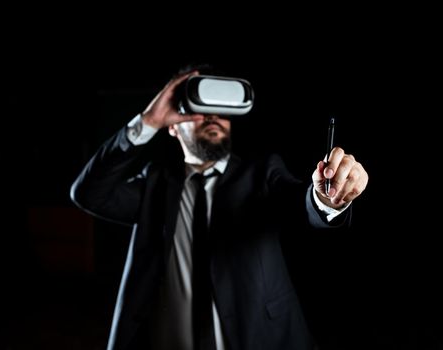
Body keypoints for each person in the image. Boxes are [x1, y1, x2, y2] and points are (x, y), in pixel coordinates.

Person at [70, 64, 368, 350]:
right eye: (200, 108)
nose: (213, 116)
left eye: (222, 108)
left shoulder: (262, 173)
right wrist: (148, 121)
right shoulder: (155, 185)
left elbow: (302, 203)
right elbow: (88, 193)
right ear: (173, 126)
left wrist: (328, 200)